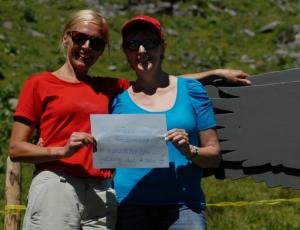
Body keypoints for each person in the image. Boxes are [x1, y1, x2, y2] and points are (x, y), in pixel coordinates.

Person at [8, 9, 249, 230]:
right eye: (80, 38)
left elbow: (157, 81)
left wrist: (214, 74)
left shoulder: (109, 88)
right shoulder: (39, 83)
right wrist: (60, 151)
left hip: (101, 193)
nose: (87, 46)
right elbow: (16, 149)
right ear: (65, 38)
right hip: (59, 184)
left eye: (98, 43)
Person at [112, 15, 222, 230]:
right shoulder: (117, 97)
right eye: (133, 44)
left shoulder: (191, 91)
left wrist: (190, 150)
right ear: (126, 52)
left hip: (183, 206)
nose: (142, 50)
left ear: (163, 47)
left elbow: (214, 156)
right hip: (129, 205)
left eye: (150, 43)